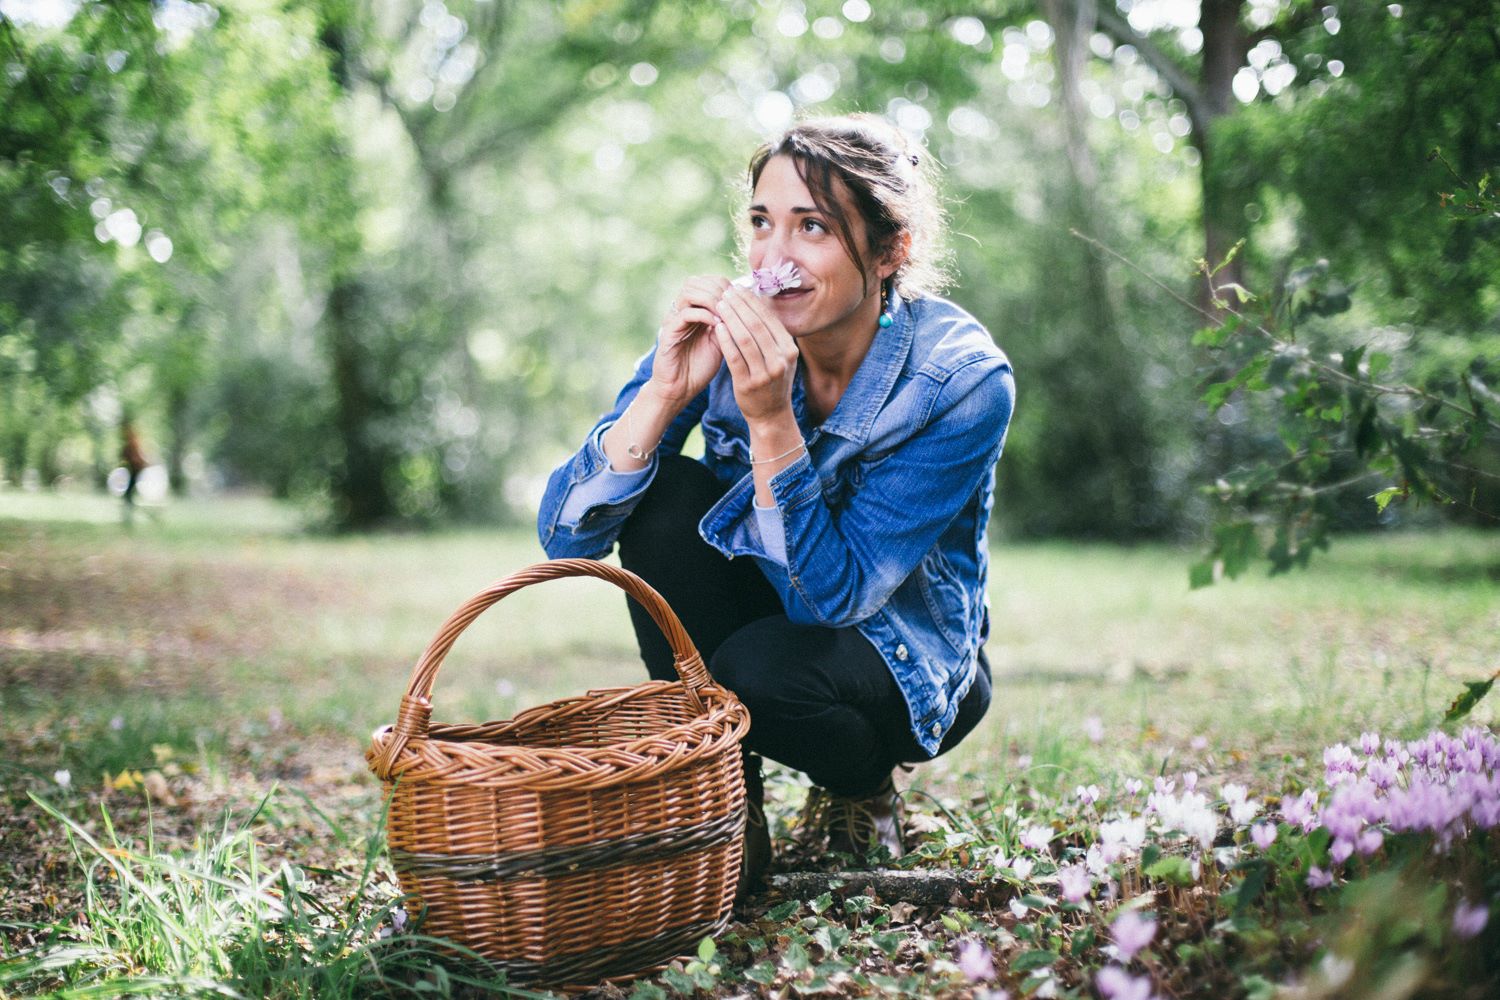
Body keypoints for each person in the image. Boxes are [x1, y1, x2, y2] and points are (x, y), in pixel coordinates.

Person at [537, 114, 1015, 892]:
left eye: (813, 227)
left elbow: (835, 600)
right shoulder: (725, 335)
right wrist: (662, 394)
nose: (774, 258)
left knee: (757, 668)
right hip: (770, 617)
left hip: (904, 661)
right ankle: (728, 815)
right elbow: (565, 540)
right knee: (662, 501)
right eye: (762, 222)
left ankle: (862, 788)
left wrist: (770, 422)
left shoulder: (959, 383)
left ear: (890, 250)